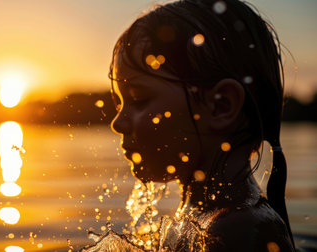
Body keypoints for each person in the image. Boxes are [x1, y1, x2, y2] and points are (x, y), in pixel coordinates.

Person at [99, 0, 295, 251]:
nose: (118, 123)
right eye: (119, 103)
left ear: (220, 106)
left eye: (139, 99)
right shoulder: (212, 215)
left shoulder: (238, 230)